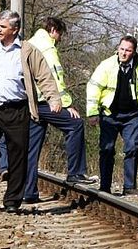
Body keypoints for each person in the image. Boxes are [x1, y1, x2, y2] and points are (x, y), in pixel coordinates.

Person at [0, 10, 62, 213]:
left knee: (18, 155)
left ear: (15, 29)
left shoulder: (28, 51)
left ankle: (12, 200)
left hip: (18, 110)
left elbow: (44, 76)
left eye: (2, 27)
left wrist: (54, 98)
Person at [22, 17, 94, 203]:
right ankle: (75, 172)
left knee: (32, 149)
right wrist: (67, 104)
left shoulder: (29, 43)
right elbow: (55, 79)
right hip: (45, 101)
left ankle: (28, 192)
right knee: (75, 124)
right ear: (53, 30)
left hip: (30, 102)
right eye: (59, 34)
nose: (59, 39)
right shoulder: (47, 48)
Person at [86, 35, 138, 196]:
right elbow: (94, 89)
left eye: (128, 50)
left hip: (132, 116)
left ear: (133, 52)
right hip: (109, 114)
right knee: (106, 149)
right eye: (121, 49)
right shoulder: (106, 66)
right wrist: (92, 113)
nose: (123, 53)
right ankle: (105, 186)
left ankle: (129, 186)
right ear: (117, 49)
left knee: (132, 149)